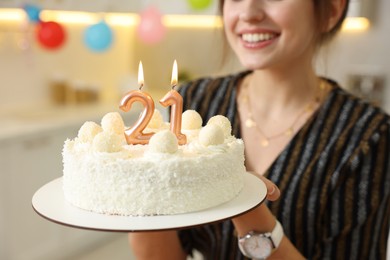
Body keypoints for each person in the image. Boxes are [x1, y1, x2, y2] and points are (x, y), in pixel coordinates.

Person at [129, 0, 390, 259]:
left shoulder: (368, 136)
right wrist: (142, 193)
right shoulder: (197, 104)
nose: (248, 13)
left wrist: (245, 202)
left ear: (331, 10)